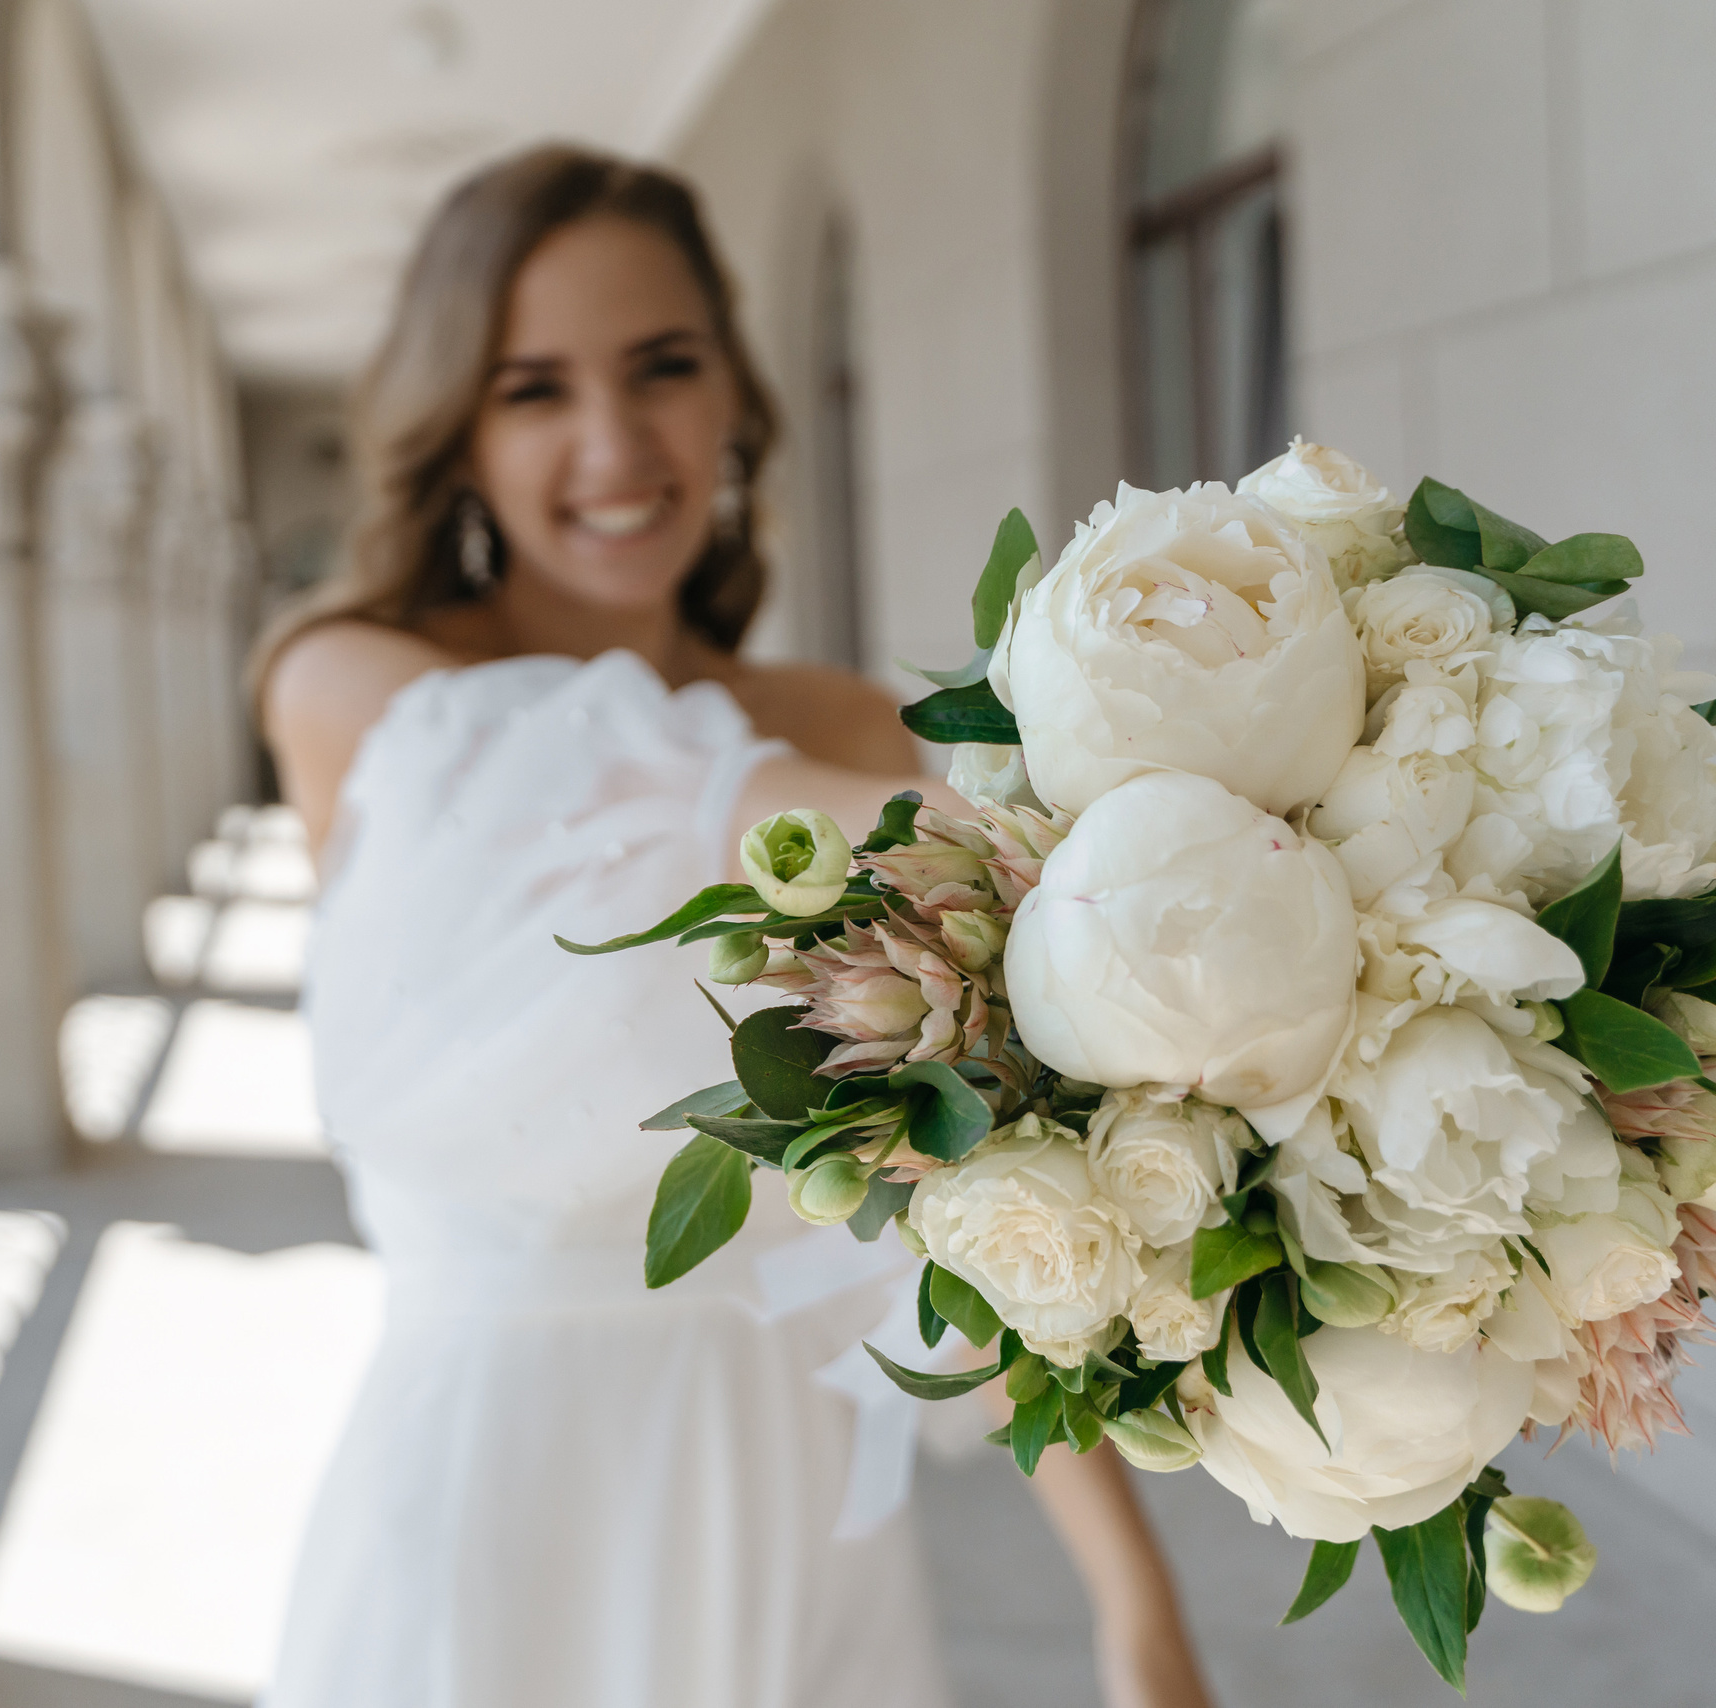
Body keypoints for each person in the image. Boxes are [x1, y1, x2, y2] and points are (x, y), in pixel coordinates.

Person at [252, 144, 1212, 1708]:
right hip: (504, 1502)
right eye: (533, 389)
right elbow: (640, 793)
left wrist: (1136, 1610)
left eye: (662, 367)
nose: (615, 443)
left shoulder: (845, 722)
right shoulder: (360, 690)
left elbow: (987, 1180)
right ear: (459, 435)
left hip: (790, 1472)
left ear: (735, 401)